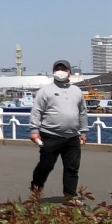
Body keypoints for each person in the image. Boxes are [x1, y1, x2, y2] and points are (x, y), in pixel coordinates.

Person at [29, 59, 87, 199]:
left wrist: (83, 131)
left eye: (64, 69)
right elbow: (37, 111)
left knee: (72, 168)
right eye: (58, 69)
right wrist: (34, 130)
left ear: (69, 73)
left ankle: (70, 196)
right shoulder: (45, 91)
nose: (60, 72)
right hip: (50, 135)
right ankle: (36, 189)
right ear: (53, 72)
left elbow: (82, 112)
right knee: (46, 166)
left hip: (72, 136)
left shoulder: (76, 91)